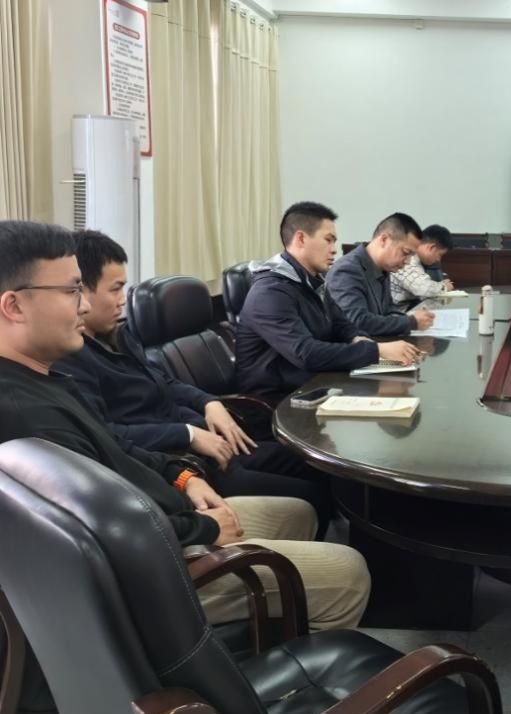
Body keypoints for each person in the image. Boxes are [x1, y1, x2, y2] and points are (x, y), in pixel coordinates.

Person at [0, 221, 370, 633]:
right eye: (71, 291)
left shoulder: (47, 378)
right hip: (146, 571)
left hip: (167, 512)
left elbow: (116, 447)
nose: (83, 306)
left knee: (299, 513)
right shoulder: (26, 414)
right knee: (349, 572)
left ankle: (274, 636)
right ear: (14, 306)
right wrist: (205, 527)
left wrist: (182, 478)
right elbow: (106, 531)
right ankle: (258, 669)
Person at [54, 231, 335, 536]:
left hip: (209, 442)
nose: (123, 300)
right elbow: (107, 435)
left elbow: (163, 380)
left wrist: (208, 402)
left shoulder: (120, 336)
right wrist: (187, 434)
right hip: (183, 462)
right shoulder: (71, 359)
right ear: (81, 291)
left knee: (317, 466)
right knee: (312, 496)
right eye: (116, 289)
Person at [236, 202, 420, 400]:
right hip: (278, 401)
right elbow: (306, 353)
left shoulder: (313, 281)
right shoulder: (270, 292)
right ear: (301, 238)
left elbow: (340, 323)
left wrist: (357, 338)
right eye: (328, 240)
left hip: (315, 384)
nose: (334, 250)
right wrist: (376, 350)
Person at [327, 212, 435, 335]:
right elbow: (357, 322)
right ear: (384, 240)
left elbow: (387, 311)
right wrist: (410, 322)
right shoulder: (346, 270)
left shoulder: (383, 268)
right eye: (405, 253)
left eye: (411, 255)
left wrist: (411, 318)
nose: (408, 261)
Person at [390, 223, 455, 302]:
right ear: (431, 247)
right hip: (395, 308)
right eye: (440, 255)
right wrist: (443, 287)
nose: (438, 260)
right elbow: (422, 289)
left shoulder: (417, 259)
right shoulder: (406, 257)